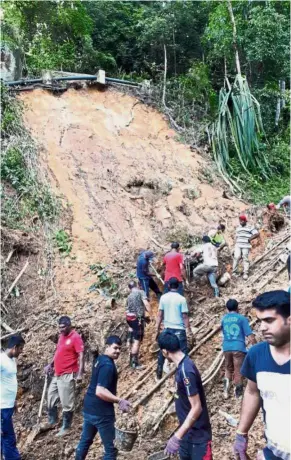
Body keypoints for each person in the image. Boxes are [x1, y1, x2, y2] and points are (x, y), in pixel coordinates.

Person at [233, 290, 290, 460]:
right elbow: (252, 391)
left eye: (269, 320)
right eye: (260, 321)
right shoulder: (256, 355)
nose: (262, 327)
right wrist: (241, 433)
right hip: (274, 451)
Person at [75, 336, 131, 460]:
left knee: (85, 441)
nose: (118, 351)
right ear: (107, 346)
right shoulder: (108, 366)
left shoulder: (100, 359)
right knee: (111, 450)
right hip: (102, 412)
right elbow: (100, 391)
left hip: (89, 409)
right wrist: (119, 400)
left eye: (120, 349)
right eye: (115, 348)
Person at [158, 332, 212, 460]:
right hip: (187, 436)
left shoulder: (186, 370)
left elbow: (196, 407)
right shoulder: (181, 366)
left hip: (198, 438)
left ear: (165, 352)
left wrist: (177, 436)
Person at [44, 316, 84, 436]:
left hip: (68, 374)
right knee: (50, 397)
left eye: (63, 327)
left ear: (69, 325)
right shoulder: (61, 336)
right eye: (59, 327)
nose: (61, 330)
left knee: (67, 402)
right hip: (57, 373)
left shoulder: (75, 337)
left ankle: (66, 427)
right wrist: (50, 365)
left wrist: (80, 373)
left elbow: (81, 356)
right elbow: (58, 352)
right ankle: (52, 420)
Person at [155, 277, 194, 380]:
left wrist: (157, 328)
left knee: (163, 350)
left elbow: (159, 315)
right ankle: (182, 375)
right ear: (178, 286)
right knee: (183, 352)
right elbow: (185, 316)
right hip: (179, 330)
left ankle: (159, 372)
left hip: (167, 329)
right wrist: (188, 330)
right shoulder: (181, 299)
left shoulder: (163, 298)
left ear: (168, 286)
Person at [221, 299, 256, 399]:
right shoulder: (241, 318)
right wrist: (255, 346)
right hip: (238, 347)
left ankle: (225, 392)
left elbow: (223, 333)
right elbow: (250, 335)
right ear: (238, 307)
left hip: (226, 347)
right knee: (238, 370)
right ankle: (238, 394)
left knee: (228, 368)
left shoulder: (223, 319)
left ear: (227, 308)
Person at [1, 334, 25, 460]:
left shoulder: (12, 360)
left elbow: (11, 380)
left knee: (3, 437)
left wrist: (14, 400)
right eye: (21, 349)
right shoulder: (1, 360)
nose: (21, 352)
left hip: (8, 405)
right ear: (15, 347)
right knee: (9, 438)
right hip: (2, 407)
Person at [126, 280, 152, 370]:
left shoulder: (129, 297)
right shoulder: (141, 292)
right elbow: (146, 304)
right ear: (137, 285)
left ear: (129, 288)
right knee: (137, 341)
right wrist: (151, 315)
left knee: (135, 339)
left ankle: (131, 359)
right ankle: (134, 364)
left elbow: (128, 309)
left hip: (130, 319)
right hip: (138, 319)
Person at [232, 215, 259, 280]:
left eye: (242, 221)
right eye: (240, 221)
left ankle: (245, 273)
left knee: (245, 258)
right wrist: (235, 243)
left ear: (245, 221)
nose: (240, 222)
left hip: (246, 245)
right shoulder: (238, 227)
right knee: (236, 257)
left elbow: (257, 234)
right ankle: (234, 272)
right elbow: (236, 236)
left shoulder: (250, 227)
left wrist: (250, 239)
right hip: (238, 245)